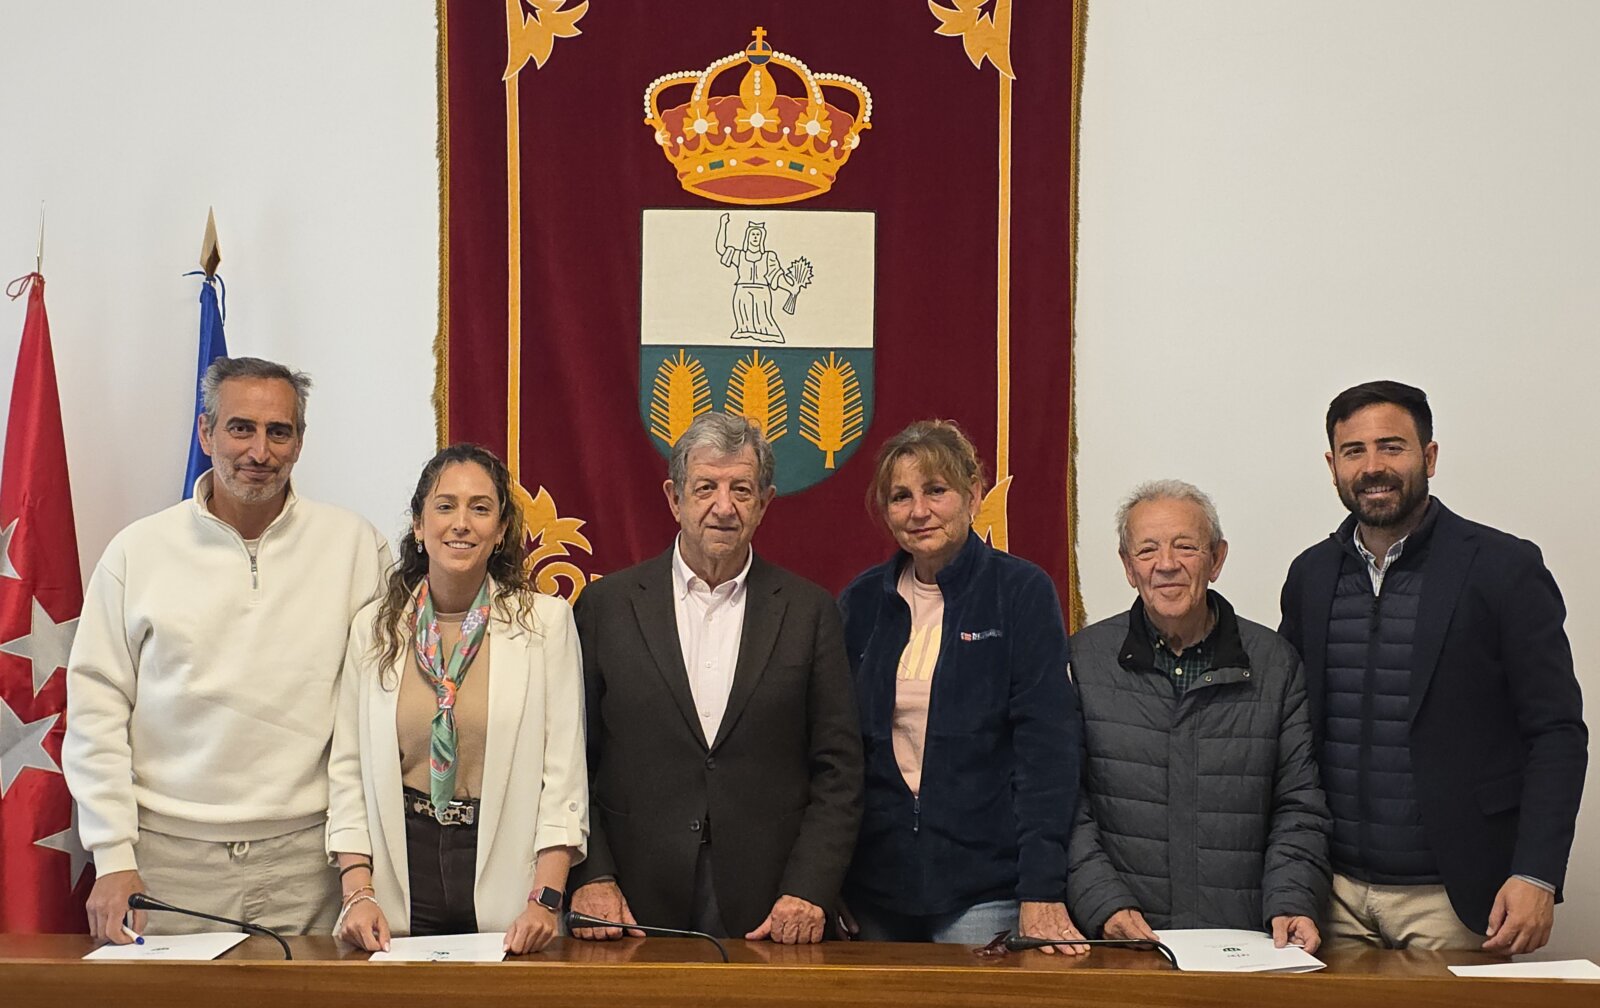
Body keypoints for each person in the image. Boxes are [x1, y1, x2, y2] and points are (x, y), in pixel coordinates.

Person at [64, 357, 391, 943]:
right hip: (167, 866)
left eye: (278, 431)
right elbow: (96, 713)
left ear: (299, 442)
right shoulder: (137, 552)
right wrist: (113, 855)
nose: (259, 451)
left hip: (309, 868)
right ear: (205, 432)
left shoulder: (357, 548)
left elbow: (377, 716)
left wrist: (358, 871)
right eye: (241, 428)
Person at [1280, 380, 1587, 954]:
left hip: (1457, 899)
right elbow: (1290, 732)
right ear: (1333, 466)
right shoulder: (1311, 576)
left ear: (1430, 456)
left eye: (1392, 447)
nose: (1373, 467)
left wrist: (1537, 874)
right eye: (1354, 451)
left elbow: (1557, 734)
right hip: (1331, 895)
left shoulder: (1504, 568)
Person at [568, 412, 862, 944]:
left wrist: (810, 888)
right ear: (674, 498)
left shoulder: (809, 611)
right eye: (706, 487)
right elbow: (570, 760)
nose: (723, 507)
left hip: (771, 910)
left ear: (766, 502)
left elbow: (839, 770)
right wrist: (592, 876)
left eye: (741, 490)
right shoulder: (606, 607)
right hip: (630, 905)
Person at [326, 444, 586, 953]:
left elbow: (563, 775)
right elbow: (348, 772)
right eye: (445, 506)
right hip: (402, 864)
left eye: (480, 508)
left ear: (502, 530)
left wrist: (545, 898)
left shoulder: (545, 624)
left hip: (503, 863)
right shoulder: (375, 629)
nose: (461, 523)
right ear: (419, 526)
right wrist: (357, 892)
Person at [836, 420, 1084, 950]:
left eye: (936, 491)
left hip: (982, 887)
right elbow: (834, 751)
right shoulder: (859, 604)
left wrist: (1042, 887)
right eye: (900, 496)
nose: (918, 511)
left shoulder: (1020, 591)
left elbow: (1048, 750)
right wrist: (825, 876)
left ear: (973, 494)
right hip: (872, 891)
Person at [1067, 480, 1330, 951]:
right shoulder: (1084, 661)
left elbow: (1298, 805)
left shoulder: (1274, 663)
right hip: (1124, 941)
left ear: (1217, 558)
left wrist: (1292, 900)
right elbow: (1066, 804)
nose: (1166, 564)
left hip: (1246, 943)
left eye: (1185, 546)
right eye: (1147, 550)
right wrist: (1102, 903)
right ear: (1128, 567)